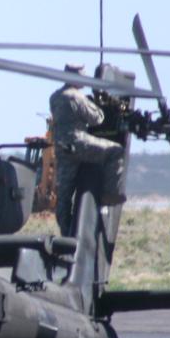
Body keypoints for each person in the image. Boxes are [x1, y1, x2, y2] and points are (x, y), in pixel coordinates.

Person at [49, 64, 124, 235]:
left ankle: (66, 234)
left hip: (62, 148)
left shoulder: (54, 97)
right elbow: (96, 119)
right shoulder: (76, 97)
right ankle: (108, 198)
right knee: (116, 152)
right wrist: (95, 103)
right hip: (79, 143)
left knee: (64, 195)